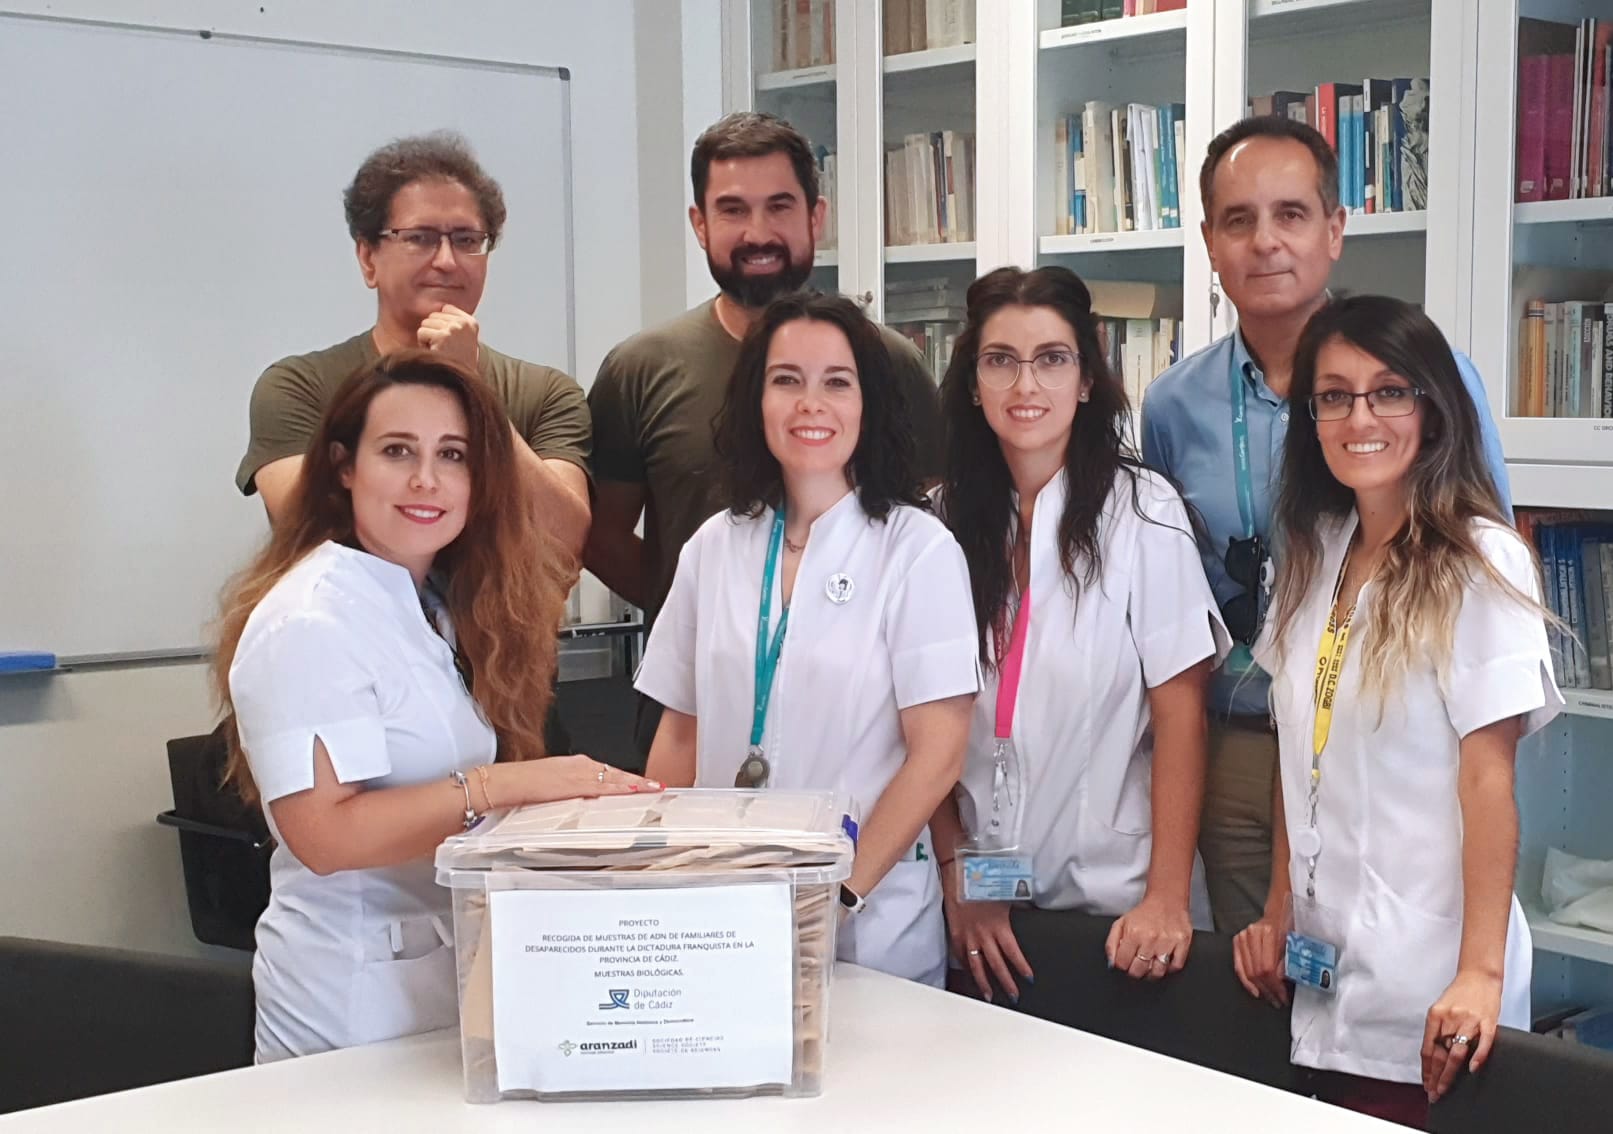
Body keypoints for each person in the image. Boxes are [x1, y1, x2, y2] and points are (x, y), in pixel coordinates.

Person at [215, 351, 658, 1062]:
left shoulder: (430, 605)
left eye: (452, 455)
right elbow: (325, 837)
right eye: (397, 451)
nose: (427, 479)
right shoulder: (310, 618)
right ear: (342, 467)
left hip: (441, 977)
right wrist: (507, 785)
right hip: (352, 1002)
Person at [1140, 115, 1515, 935]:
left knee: (1393, 976)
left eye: (1291, 214)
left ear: (1335, 230)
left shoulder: (1430, 380)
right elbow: (1167, 586)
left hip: (1389, 734)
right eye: (1237, 220)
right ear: (1207, 240)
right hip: (1238, 734)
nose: (1264, 242)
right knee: (1257, 995)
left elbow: (1485, 572)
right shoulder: (1172, 404)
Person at [1233, 296, 1560, 1127]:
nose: (1359, 417)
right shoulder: (1317, 548)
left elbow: (1488, 782)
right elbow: (1294, 755)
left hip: (1431, 980)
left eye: (1389, 392)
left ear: (1432, 406)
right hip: (1320, 963)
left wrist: (1478, 973)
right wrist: (1277, 911)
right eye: (1333, 396)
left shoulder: (1480, 559)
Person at [634, 292, 978, 987]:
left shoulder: (917, 550)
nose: (809, 404)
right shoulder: (714, 546)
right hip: (721, 909)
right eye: (785, 380)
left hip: (867, 924)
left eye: (836, 383)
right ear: (755, 400)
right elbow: (678, 735)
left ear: (869, 405)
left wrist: (838, 897)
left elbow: (936, 755)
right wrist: (649, 875)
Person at [586, 111, 944, 764]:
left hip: (853, 727)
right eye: (732, 210)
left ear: (816, 216)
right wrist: (712, 614)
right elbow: (601, 533)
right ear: (699, 224)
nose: (757, 233)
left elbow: (926, 519)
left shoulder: (885, 364)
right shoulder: (639, 368)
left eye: (779, 207)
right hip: (691, 711)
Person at [926, 267, 1227, 1005]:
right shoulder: (934, 523)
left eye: (1051, 359)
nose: (1025, 384)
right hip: (979, 906)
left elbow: (1179, 715)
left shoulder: (1142, 513)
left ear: (1086, 380)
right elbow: (915, 721)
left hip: (1112, 905)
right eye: (999, 360)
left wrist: (1164, 897)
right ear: (972, 383)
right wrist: (954, 872)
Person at [237, 131, 591, 557]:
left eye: (466, 240)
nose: (446, 260)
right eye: (420, 237)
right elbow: (308, 534)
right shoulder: (300, 387)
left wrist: (471, 385)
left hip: (499, 625)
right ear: (368, 258)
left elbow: (565, 541)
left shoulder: (545, 393)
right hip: (354, 622)